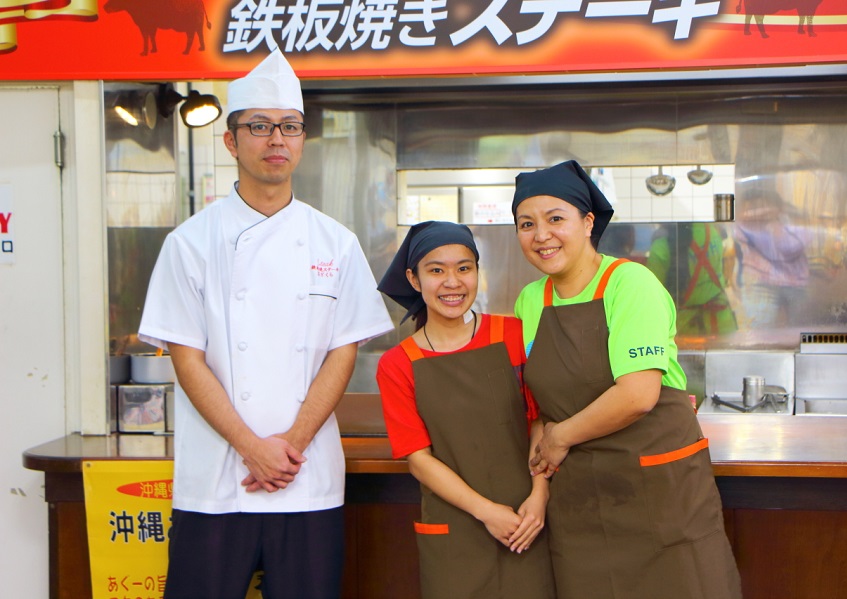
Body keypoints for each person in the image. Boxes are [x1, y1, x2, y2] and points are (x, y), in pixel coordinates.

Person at [137, 49, 394, 599]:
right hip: (217, 479)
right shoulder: (189, 243)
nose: (277, 139)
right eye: (259, 126)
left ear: (302, 140)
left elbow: (343, 352)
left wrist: (289, 446)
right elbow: (187, 359)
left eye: (290, 127)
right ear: (231, 141)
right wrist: (251, 446)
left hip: (307, 477)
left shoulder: (336, 243)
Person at [511, 160, 741, 598]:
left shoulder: (630, 284)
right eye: (527, 224)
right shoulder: (530, 301)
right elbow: (537, 408)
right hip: (581, 500)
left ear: (588, 222)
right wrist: (539, 486)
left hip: (658, 490)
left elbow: (637, 395)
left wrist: (560, 438)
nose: (541, 235)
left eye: (555, 219)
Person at [375, 221, 555, 599]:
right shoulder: (398, 364)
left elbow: (540, 420)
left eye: (464, 268)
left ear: (477, 272)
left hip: (527, 521)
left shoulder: (513, 334)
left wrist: (539, 496)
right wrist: (487, 511)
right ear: (413, 279)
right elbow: (419, 460)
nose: (452, 282)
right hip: (457, 529)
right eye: (436, 271)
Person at [733, 188, 809, 329]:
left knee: (799, 331)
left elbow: (792, 248)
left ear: (778, 208)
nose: (757, 212)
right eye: (751, 207)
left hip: (796, 283)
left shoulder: (794, 224)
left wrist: (776, 229)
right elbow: (737, 235)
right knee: (760, 331)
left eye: (762, 206)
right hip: (761, 283)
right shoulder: (744, 227)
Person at [647, 222, 738, 338]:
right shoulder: (710, 229)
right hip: (724, 326)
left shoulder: (661, 247)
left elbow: (650, 298)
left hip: (687, 332)